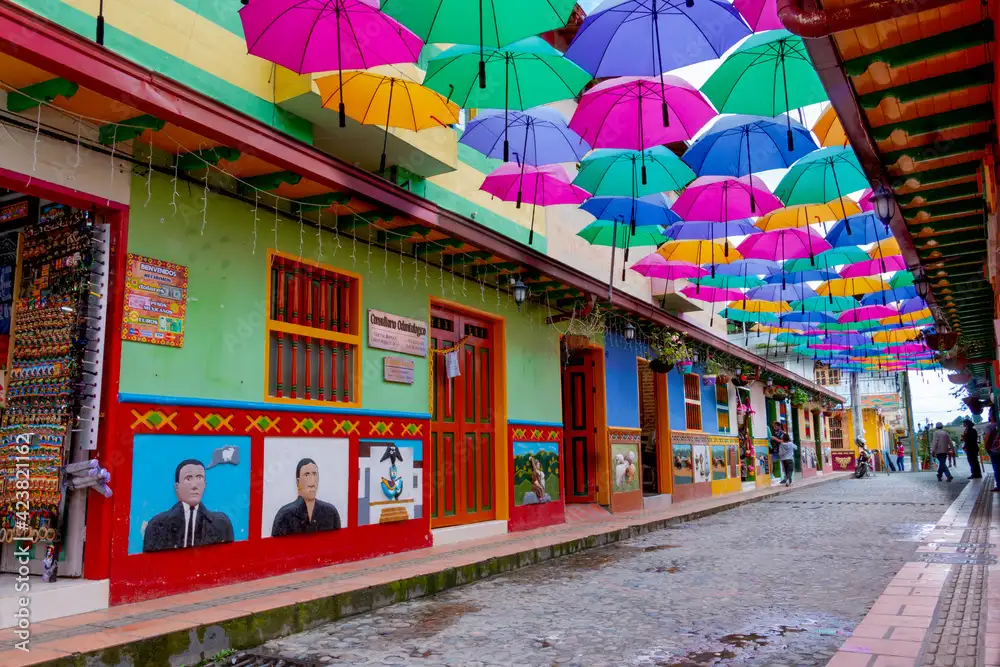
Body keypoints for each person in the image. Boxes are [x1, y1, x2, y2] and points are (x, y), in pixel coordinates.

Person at [143, 459, 235, 552]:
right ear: (177, 487)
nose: (194, 485)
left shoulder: (221, 524)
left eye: (199, 477)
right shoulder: (157, 525)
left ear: (205, 485)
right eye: (188, 478)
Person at [271, 458, 342, 537]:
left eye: (314, 474)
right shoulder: (284, 515)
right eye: (306, 475)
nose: (312, 482)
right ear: (298, 482)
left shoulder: (331, 513)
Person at [983, 409, 1000, 491]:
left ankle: (999, 485)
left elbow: (987, 439)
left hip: (994, 450)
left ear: (991, 416)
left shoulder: (989, 426)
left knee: (997, 468)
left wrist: (987, 449)